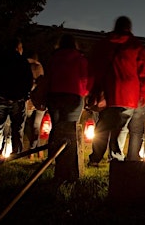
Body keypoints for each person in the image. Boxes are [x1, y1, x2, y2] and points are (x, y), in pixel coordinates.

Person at [87, 16, 145, 166]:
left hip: (107, 93)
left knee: (103, 127)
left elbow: (94, 68)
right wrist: (144, 93)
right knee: (120, 127)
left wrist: (92, 90)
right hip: (129, 94)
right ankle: (115, 158)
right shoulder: (136, 46)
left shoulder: (103, 44)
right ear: (129, 28)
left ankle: (96, 158)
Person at [46, 34, 90, 182]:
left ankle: (53, 160)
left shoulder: (54, 58)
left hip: (54, 95)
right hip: (74, 96)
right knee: (70, 130)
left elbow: (49, 76)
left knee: (56, 127)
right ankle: (67, 169)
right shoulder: (80, 59)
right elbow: (86, 78)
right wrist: (84, 93)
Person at [0, 37, 33, 159]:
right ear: (18, 48)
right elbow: (28, 80)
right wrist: (25, 95)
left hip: (0, 97)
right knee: (17, 128)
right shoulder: (22, 61)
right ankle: (16, 153)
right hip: (18, 98)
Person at [24, 51, 46, 159]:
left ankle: (32, 151)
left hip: (30, 100)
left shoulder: (29, 68)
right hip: (40, 101)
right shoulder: (40, 68)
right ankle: (36, 150)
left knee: (27, 124)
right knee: (36, 126)